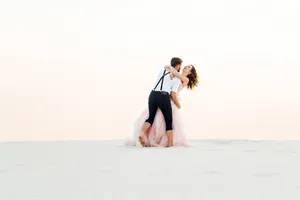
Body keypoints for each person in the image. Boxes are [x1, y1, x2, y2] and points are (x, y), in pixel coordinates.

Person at [125, 63, 199, 147]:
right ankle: (148, 138)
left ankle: (166, 142)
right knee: (158, 120)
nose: (186, 66)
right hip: (165, 98)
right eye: (187, 65)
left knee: (166, 121)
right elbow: (168, 72)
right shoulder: (175, 75)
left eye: (189, 67)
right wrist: (170, 68)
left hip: (172, 102)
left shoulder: (185, 79)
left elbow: (174, 86)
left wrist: (170, 67)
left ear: (190, 72)